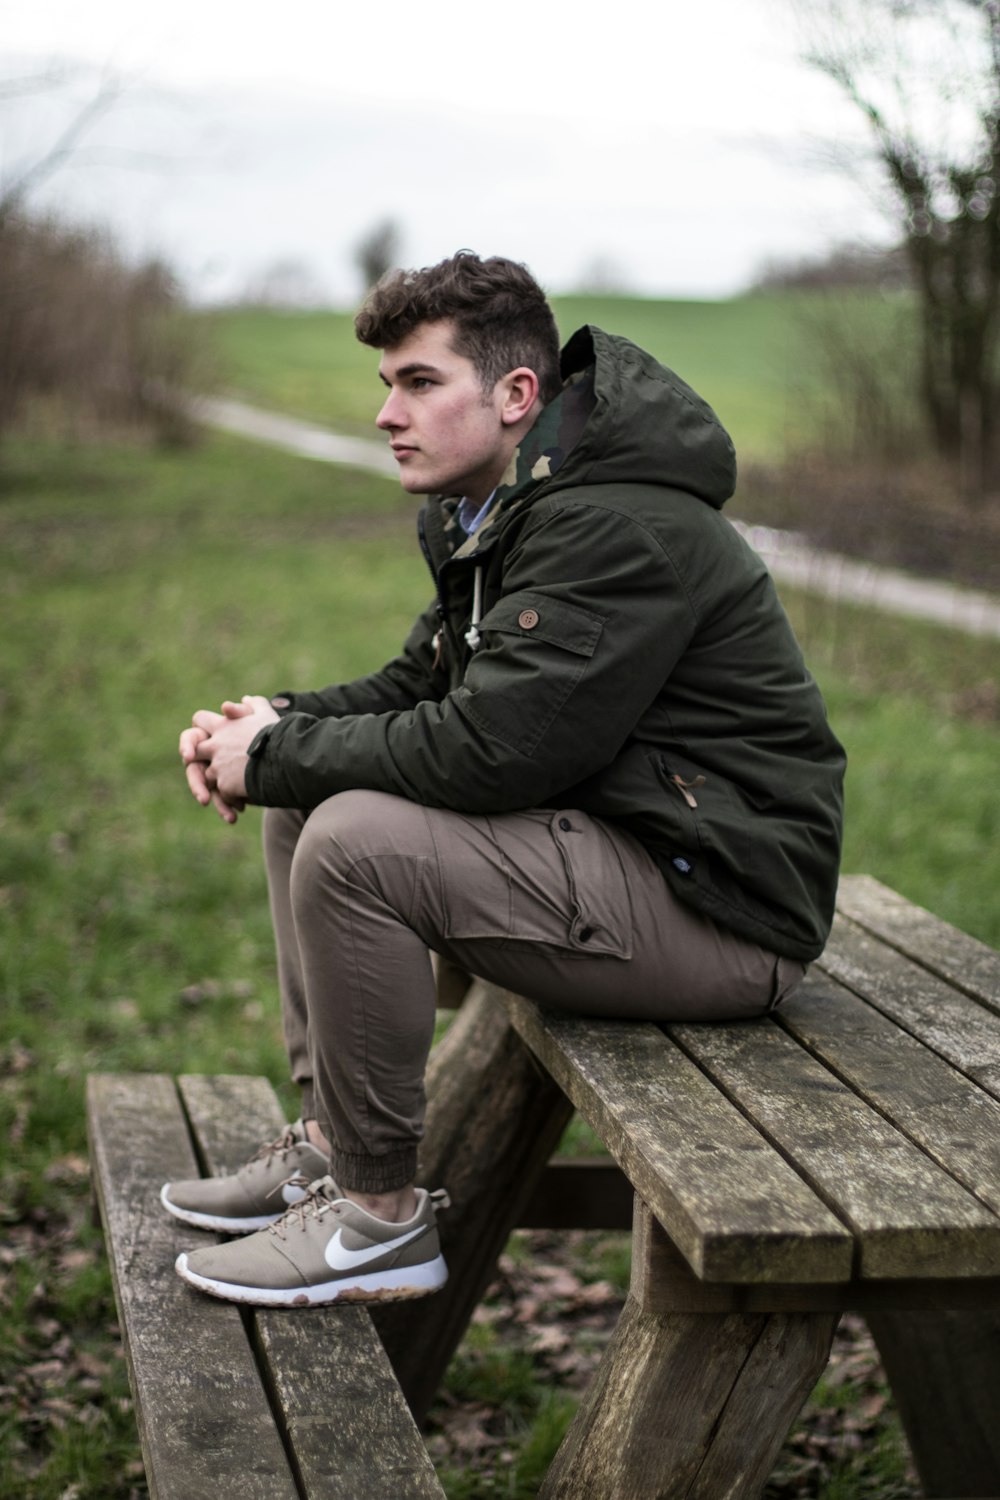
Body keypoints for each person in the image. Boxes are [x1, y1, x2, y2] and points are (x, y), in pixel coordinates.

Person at [161, 250, 846, 1309]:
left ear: (516, 394)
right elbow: (421, 684)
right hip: (632, 850)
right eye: (386, 384)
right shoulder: (504, 508)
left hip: (722, 908)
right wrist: (274, 726)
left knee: (353, 848)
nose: (388, 412)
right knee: (305, 798)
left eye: (419, 382)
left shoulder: (611, 526)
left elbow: (496, 752)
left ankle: (377, 1221)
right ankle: (333, 1143)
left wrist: (283, 753)